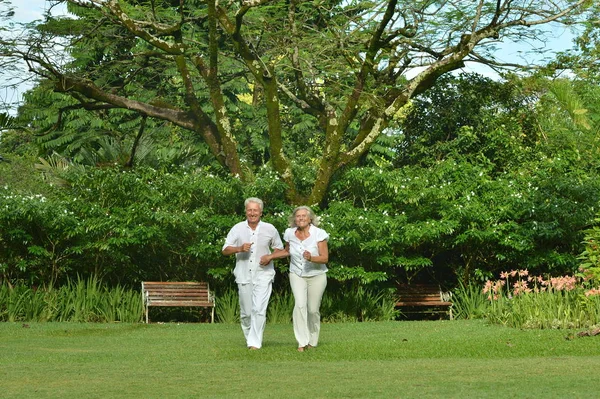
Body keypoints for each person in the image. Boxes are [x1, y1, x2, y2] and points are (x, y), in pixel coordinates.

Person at [222, 197, 285, 350]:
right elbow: (225, 250)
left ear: (261, 212)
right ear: (245, 211)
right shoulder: (237, 228)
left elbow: (281, 250)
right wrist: (239, 248)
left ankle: (254, 343)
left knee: (259, 309)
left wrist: (270, 257)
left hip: (264, 274)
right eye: (249, 210)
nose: (252, 213)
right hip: (243, 275)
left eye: (255, 210)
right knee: (246, 313)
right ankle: (250, 338)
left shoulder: (270, 229)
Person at [283, 206, 329, 352]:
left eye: (304, 216)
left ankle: (313, 340)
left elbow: (325, 258)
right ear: (294, 219)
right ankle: (302, 342)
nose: (301, 218)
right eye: (298, 216)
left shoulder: (319, 234)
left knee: (313, 309)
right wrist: (269, 256)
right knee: (300, 306)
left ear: (310, 219)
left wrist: (311, 258)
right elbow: (286, 251)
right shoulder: (289, 233)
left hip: (317, 275)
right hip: (296, 274)